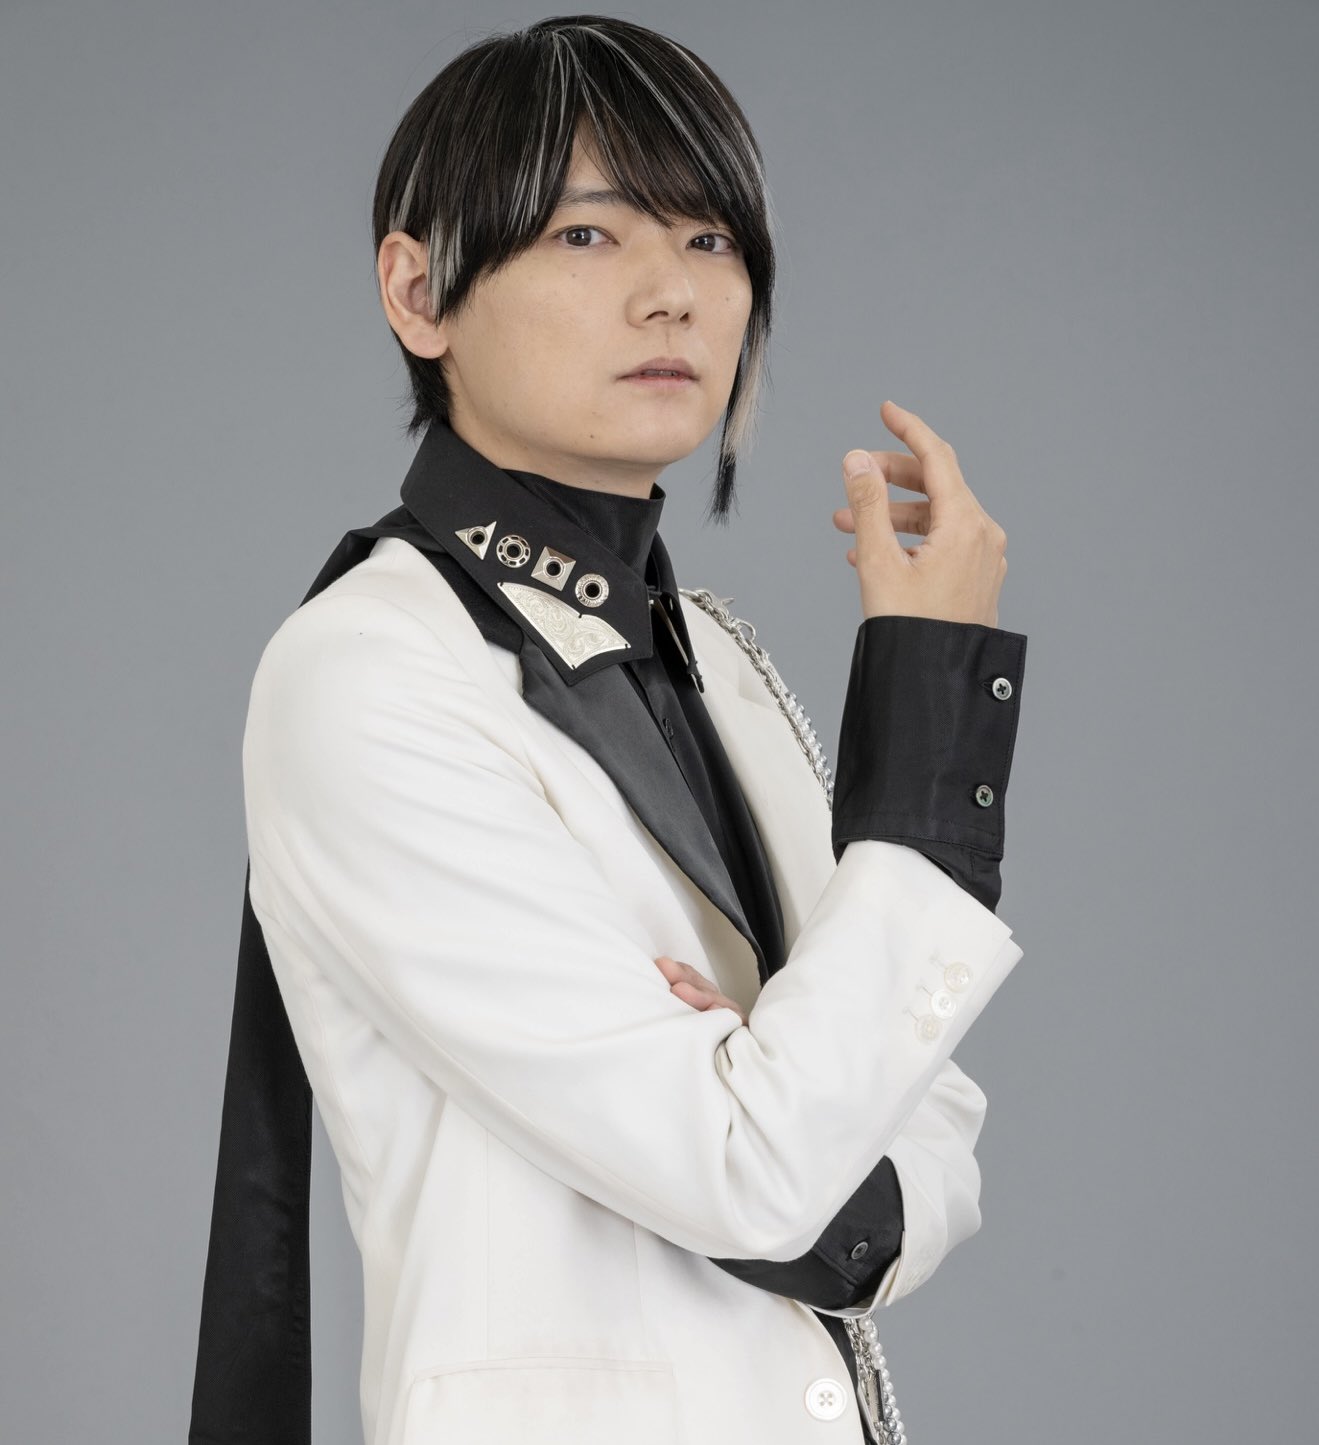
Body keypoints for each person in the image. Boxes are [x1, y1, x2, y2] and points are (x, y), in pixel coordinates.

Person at [189, 16, 1027, 1445]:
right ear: (418, 290)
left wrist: (786, 1093)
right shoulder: (368, 672)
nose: (672, 294)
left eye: (711, 240)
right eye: (587, 235)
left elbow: (930, 1113)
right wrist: (929, 710)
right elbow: (761, 1172)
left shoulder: (719, 661)